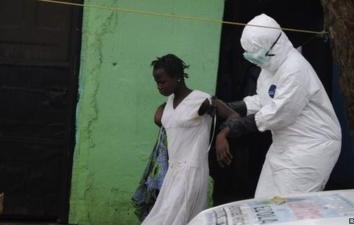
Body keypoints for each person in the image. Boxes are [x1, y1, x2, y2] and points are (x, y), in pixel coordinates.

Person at [215, 14, 342, 198]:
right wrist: (232, 107)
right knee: (263, 202)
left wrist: (233, 127)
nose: (253, 60)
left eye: (256, 54)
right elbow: (262, 100)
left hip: (311, 145)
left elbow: (279, 113)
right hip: (284, 143)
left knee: (288, 208)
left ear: (274, 46)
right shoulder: (269, 69)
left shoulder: (295, 69)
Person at [142, 54, 238, 225]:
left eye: (162, 81)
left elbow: (233, 115)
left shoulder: (202, 100)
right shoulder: (169, 104)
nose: (159, 86)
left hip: (192, 172)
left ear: (177, 77)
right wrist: (160, 113)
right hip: (173, 172)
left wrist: (222, 135)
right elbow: (167, 123)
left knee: (166, 220)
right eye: (156, 82)